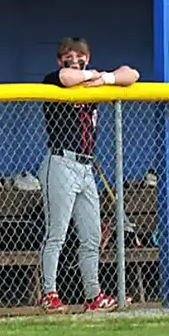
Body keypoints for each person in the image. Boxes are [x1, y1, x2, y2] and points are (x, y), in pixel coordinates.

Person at [38, 37, 139, 313]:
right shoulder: (55, 79)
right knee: (56, 234)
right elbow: (66, 77)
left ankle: (93, 296)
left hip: (86, 167)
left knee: (92, 236)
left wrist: (105, 79)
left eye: (80, 56)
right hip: (61, 161)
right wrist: (91, 76)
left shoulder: (95, 80)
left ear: (88, 57)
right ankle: (49, 294)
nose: (75, 60)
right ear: (60, 60)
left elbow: (132, 74)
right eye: (68, 56)